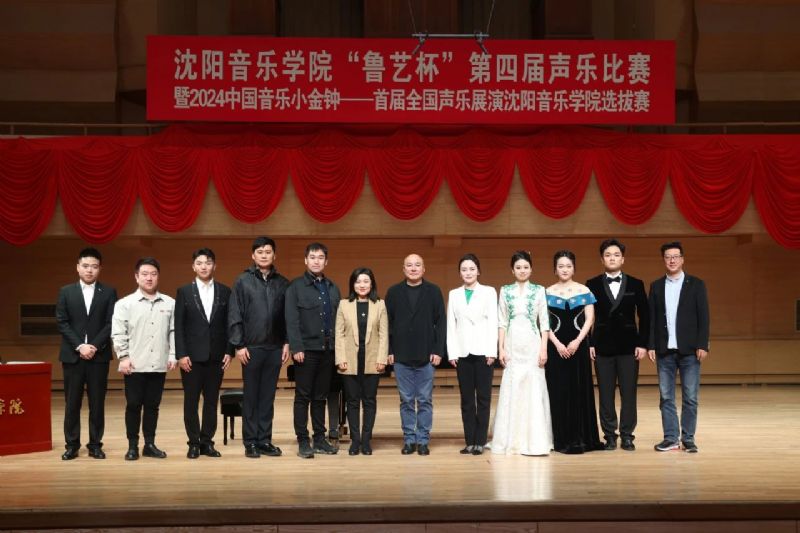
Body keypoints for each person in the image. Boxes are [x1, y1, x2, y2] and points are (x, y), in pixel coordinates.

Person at [228, 236, 290, 459]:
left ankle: (264, 440)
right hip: (251, 348)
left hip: (275, 348)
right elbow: (235, 314)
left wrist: (287, 342)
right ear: (253, 255)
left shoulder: (283, 283)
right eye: (260, 252)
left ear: (274, 255)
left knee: (267, 397)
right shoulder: (242, 281)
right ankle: (250, 442)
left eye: (268, 252)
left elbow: (288, 317)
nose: (264, 255)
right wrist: (239, 345)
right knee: (251, 396)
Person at [586, 238, 650, 451]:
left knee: (629, 393)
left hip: (629, 347)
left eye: (616, 255)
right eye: (607, 255)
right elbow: (586, 317)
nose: (612, 258)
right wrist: (590, 343)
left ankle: (627, 435)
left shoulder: (636, 283)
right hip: (602, 346)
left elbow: (645, 316)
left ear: (623, 259)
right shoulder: (592, 284)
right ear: (602, 259)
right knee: (605, 394)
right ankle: (609, 435)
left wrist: (643, 344)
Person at [55, 247, 117, 460]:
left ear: (100, 269)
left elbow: (111, 323)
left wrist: (94, 346)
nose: (90, 270)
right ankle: (72, 445)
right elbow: (62, 322)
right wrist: (80, 346)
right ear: (78, 267)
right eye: (85, 266)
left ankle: (95, 445)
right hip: (73, 356)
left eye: (94, 266)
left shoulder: (109, 292)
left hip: (99, 356)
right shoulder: (66, 292)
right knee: (72, 403)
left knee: (97, 403)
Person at [648, 241, 710, 453]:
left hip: (690, 350)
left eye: (675, 256)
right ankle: (671, 438)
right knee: (666, 397)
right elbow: (652, 319)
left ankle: (688, 439)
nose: (672, 260)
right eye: (668, 257)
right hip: (664, 350)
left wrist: (703, 344)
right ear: (664, 260)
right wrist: (651, 345)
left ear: (682, 259)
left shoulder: (696, 284)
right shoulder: (656, 286)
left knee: (690, 397)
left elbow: (704, 317)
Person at [112, 257, 176, 460]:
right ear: (136, 277)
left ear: (158, 276)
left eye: (153, 274)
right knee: (133, 405)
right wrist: (123, 356)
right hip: (134, 364)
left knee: (152, 406)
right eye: (145, 274)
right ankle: (132, 446)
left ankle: (149, 444)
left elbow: (174, 332)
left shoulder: (170, 303)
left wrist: (173, 354)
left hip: (158, 364)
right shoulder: (125, 304)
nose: (149, 278)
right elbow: (118, 333)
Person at [489, 250, 552, 456]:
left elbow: (544, 323)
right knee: (513, 385)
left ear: (531, 269)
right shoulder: (505, 290)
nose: (522, 270)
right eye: (518, 267)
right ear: (512, 270)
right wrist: (501, 348)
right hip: (512, 343)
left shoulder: (540, 290)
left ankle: (535, 439)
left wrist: (543, 348)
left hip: (533, 343)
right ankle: (511, 438)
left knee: (533, 386)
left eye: (526, 267)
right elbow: (501, 322)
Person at [174, 248, 232, 459]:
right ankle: (193, 443)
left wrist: (229, 351)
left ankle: (207, 442)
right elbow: (179, 326)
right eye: (199, 263)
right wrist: (181, 354)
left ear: (214, 265)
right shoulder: (184, 292)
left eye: (208, 263)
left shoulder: (225, 291)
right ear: (193, 267)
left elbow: (229, 324)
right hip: (191, 358)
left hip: (216, 357)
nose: (204, 266)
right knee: (191, 402)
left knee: (211, 402)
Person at [385, 253, 445, 456]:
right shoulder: (393, 292)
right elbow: (387, 324)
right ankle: (409, 440)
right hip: (401, 356)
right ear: (403, 269)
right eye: (409, 265)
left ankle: (423, 440)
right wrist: (389, 351)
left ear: (423, 269)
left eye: (417, 265)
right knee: (406, 400)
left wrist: (438, 350)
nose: (413, 268)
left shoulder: (434, 291)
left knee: (425, 400)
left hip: (426, 356)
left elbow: (441, 322)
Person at [285, 242, 342, 459]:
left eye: (320, 257)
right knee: (303, 397)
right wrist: (296, 347)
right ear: (305, 260)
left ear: (326, 261)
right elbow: (291, 319)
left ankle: (319, 439)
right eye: (312, 257)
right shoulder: (295, 287)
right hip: (306, 351)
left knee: (320, 397)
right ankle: (303, 440)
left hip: (328, 350)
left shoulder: (332, 287)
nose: (316, 261)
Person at [545, 250, 603, 454]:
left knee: (579, 390)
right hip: (555, 348)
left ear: (574, 268)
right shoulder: (547, 292)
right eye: (560, 266)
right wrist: (557, 344)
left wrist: (577, 342)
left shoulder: (584, 290)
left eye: (568, 266)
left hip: (578, 347)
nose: (564, 269)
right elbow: (543, 323)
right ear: (555, 269)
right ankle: (560, 438)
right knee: (558, 391)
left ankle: (582, 437)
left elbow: (590, 319)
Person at [446, 253, 497, 456]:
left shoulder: (489, 291)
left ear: (478, 271)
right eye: (464, 269)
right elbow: (451, 325)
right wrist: (452, 352)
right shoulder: (454, 294)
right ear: (460, 273)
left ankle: (480, 441)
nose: (468, 273)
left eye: (472, 269)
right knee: (466, 400)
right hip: (462, 351)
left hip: (484, 351)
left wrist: (492, 351)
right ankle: (469, 441)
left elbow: (493, 321)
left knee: (483, 398)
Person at [334, 267, 388, 455]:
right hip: (349, 361)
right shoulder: (344, 305)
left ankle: (366, 440)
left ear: (371, 284)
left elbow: (383, 335)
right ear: (353, 284)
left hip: (372, 360)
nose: (362, 285)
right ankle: (355, 441)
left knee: (369, 401)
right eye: (358, 281)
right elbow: (339, 334)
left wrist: (382, 358)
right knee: (352, 401)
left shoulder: (380, 304)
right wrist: (340, 358)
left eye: (366, 281)